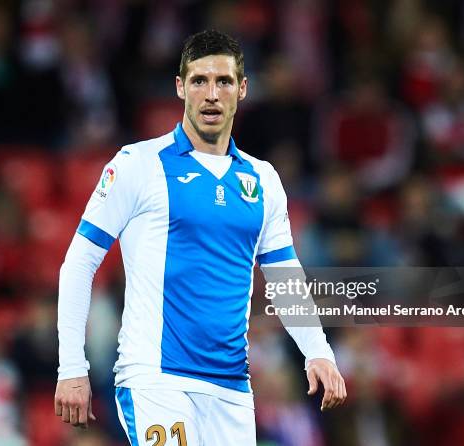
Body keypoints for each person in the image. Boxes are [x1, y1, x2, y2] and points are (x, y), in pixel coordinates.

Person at [55, 30, 346, 445]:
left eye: (223, 81)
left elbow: (285, 277)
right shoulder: (138, 164)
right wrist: (71, 367)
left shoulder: (263, 179)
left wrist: (317, 350)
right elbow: (80, 263)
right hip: (156, 379)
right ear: (180, 87)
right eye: (199, 81)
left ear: (242, 89)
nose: (211, 94)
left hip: (231, 388)